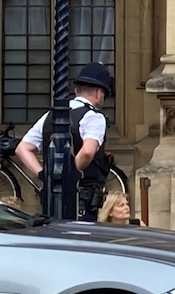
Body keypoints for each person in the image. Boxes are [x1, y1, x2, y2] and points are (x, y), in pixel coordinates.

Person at [16, 61, 115, 222]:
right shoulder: (94, 117)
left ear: (76, 90)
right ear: (98, 93)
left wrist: (44, 174)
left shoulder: (50, 115)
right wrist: (69, 175)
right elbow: (88, 151)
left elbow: (23, 148)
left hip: (51, 200)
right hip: (82, 200)